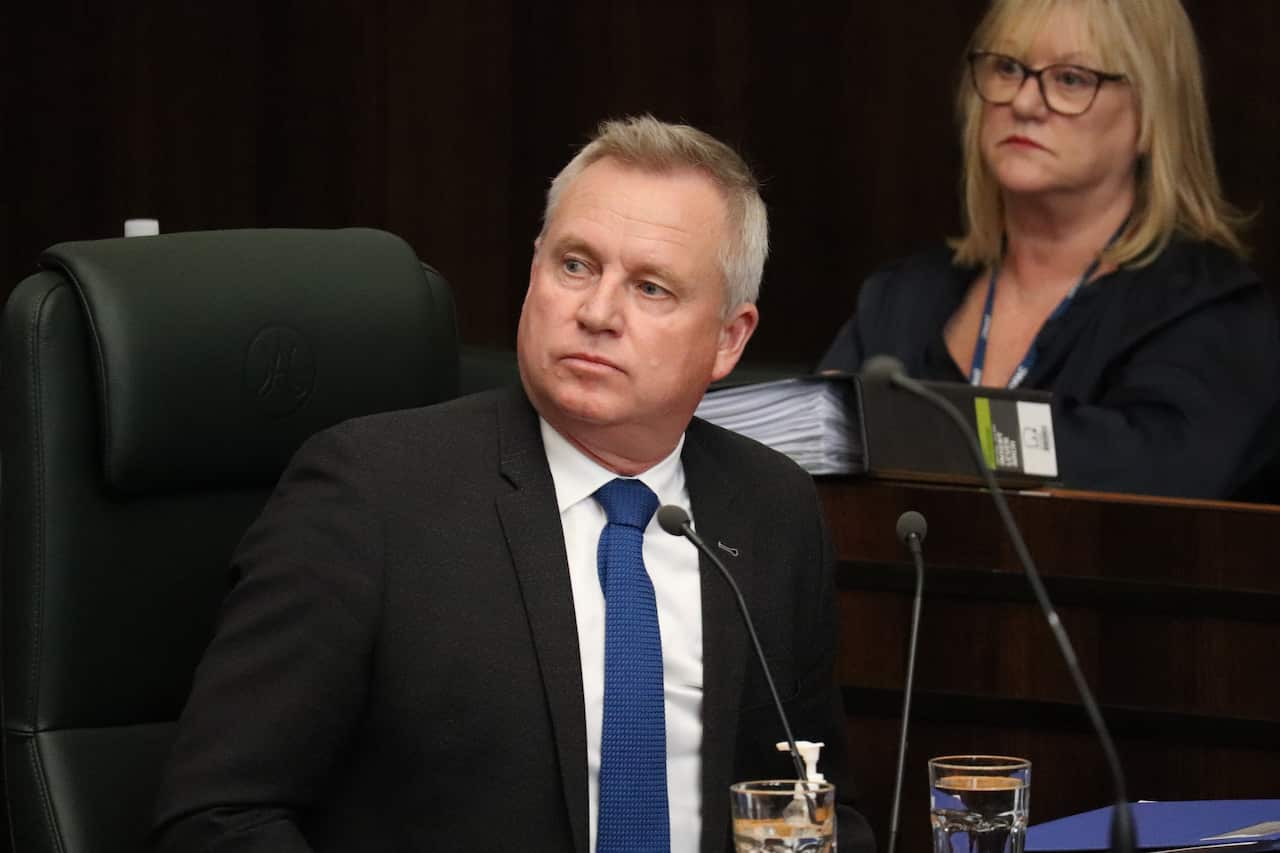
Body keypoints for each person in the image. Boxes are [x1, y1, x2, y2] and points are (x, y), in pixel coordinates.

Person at [152, 116, 875, 853]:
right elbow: (218, 817)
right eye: (575, 265)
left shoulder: (771, 509)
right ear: (534, 273)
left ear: (728, 338)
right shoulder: (370, 494)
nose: (597, 312)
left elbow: (812, 806)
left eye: (650, 287)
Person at [819, 0, 1280, 499]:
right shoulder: (900, 298)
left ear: (1151, 116)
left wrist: (910, 435)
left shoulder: (1207, 310)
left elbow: (1157, 475)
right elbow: (810, 451)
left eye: (1071, 79)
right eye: (1007, 68)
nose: (1024, 102)